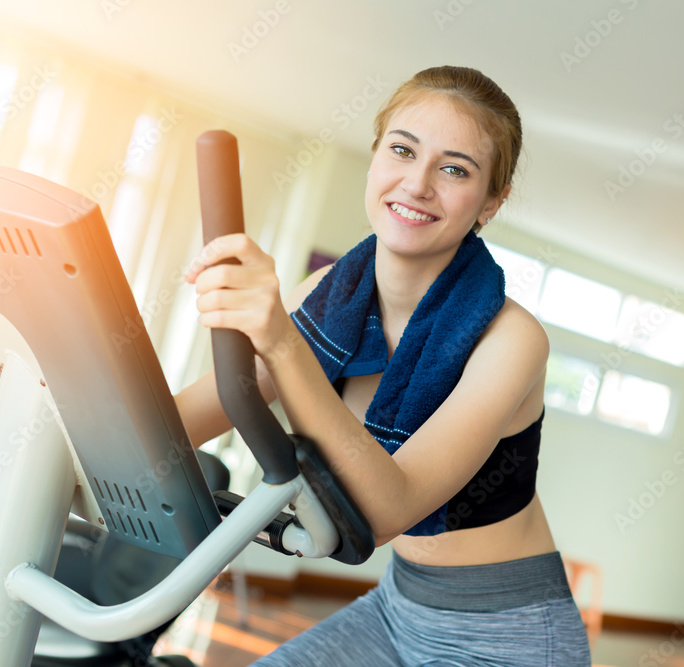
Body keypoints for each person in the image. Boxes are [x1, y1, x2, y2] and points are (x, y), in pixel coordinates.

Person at [176, 66, 591, 666]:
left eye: (454, 169)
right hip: (398, 607)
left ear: (491, 202)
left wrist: (281, 343)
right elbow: (184, 419)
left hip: (512, 636)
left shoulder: (512, 340)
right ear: (375, 159)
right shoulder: (327, 295)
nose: (417, 184)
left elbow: (391, 507)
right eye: (402, 150)